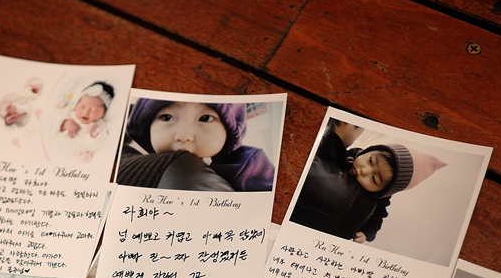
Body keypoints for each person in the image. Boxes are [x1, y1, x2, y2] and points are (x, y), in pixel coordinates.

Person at [289, 119, 447, 242]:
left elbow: (379, 216)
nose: (365, 170)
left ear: (382, 191)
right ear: (370, 151)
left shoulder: (379, 199)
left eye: (374, 179)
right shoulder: (353, 154)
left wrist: (367, 233)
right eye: (371, 161)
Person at [117, 98, 275, 192]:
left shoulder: (247, 166)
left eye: (205, 118)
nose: (184, 136)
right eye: (167, 117)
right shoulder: (135, 162)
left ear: (230, 131)